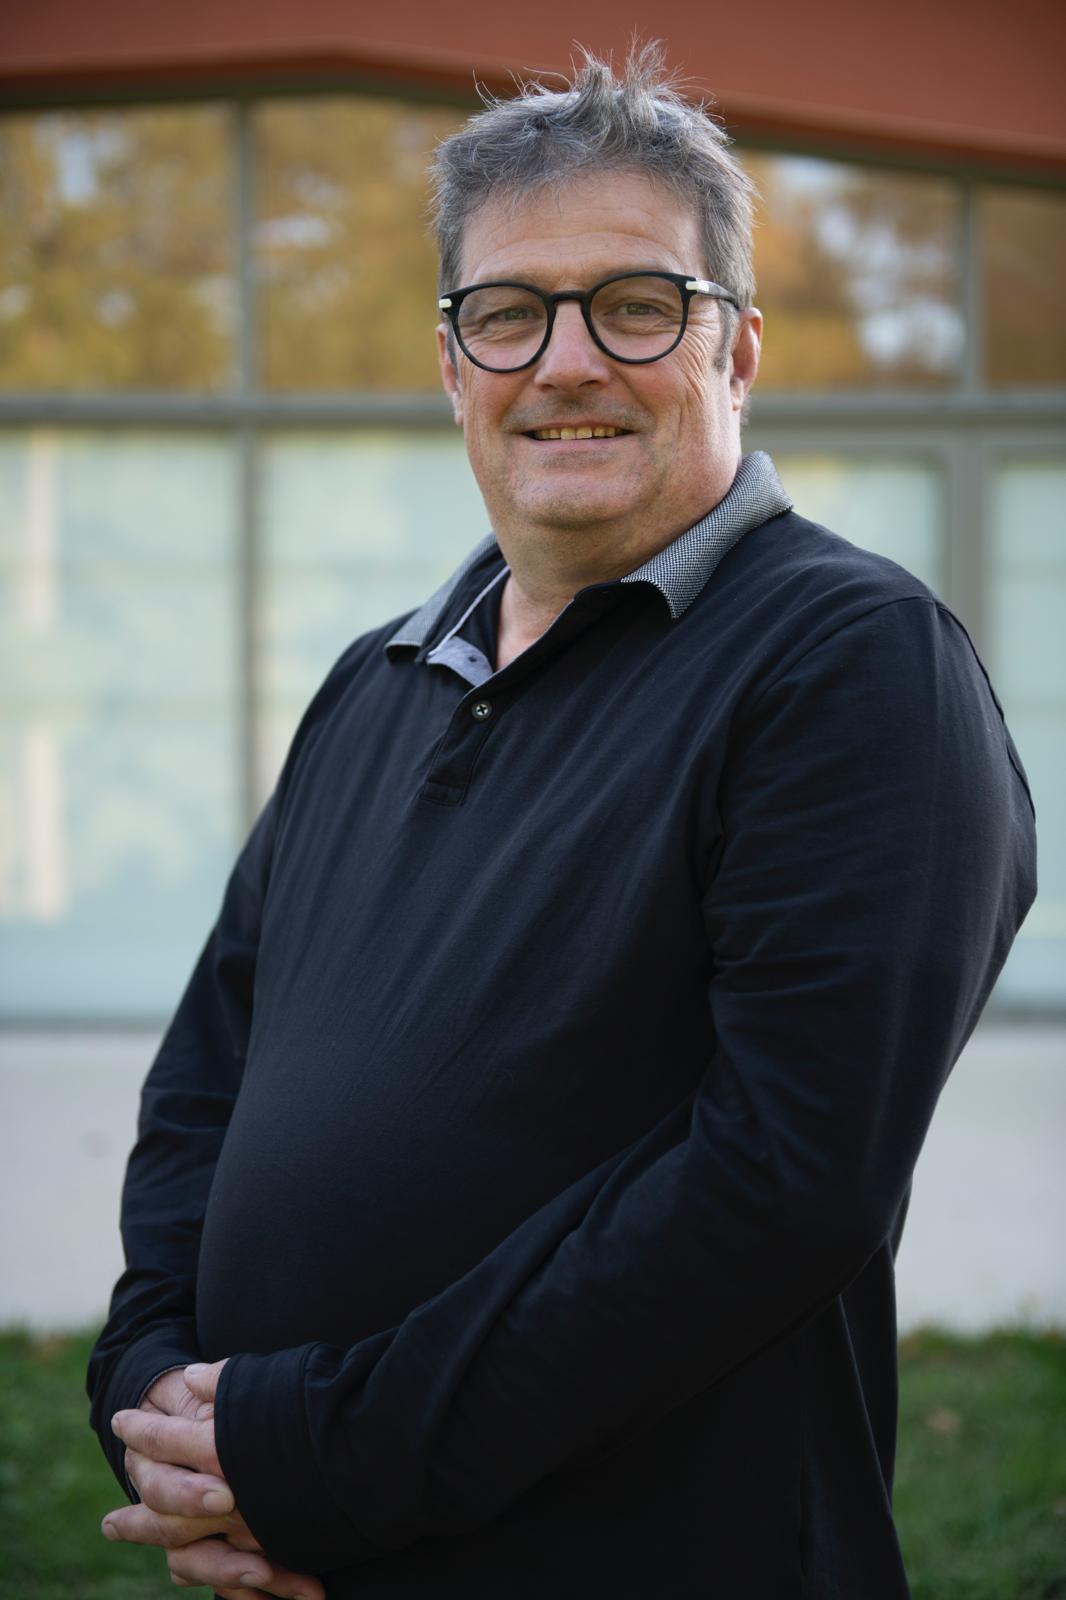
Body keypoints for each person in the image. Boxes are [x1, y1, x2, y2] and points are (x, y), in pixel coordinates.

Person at [88, 45, 1036, 1600]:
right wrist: (156, 1393)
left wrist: (324, 1455)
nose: (567, 362)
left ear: (736, 350)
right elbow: (208, 1079)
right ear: (451, 364)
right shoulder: (377, 679)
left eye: (637, 305)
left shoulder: (847, 663)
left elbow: (778, 1186)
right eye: (509, 312)